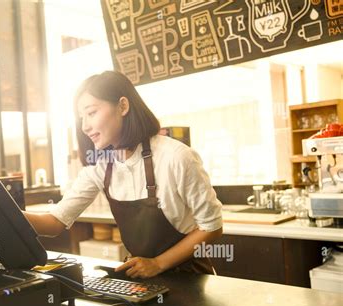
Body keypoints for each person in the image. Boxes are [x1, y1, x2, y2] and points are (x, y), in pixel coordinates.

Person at [24, 71, 223, 279]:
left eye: (91, 113)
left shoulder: (176, 157)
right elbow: (55, 222)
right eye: (81, 118)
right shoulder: (101, 166)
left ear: (123, 106)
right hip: (143, 278)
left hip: (192, 279)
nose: (84, 126)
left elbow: (212, 227)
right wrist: (3, 214)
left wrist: (157, 264)